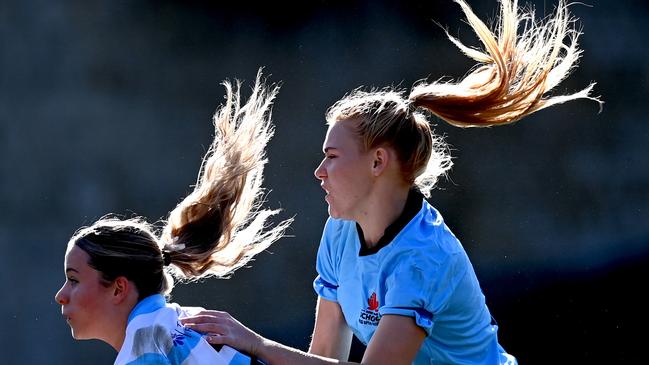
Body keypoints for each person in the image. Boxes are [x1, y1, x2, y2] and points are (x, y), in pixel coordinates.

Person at [180, 0, 602, 364]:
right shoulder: (340, 232)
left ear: (378, 161)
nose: (319, 172)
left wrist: (254, 344)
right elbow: (325, 353)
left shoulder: (422, 258)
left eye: (331, 156)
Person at [54, 70, 292, 365]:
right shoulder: (177, 322)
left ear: (118, 288)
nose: (61, 296)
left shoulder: (146, 342)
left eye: (73, 280)